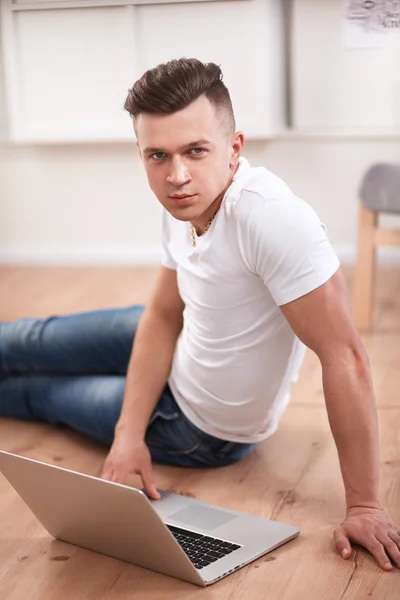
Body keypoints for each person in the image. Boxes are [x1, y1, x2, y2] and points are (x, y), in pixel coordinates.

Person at [0, 58, 399, 572]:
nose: (177, 175)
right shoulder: (183, 200)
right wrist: (127, 433)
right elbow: (165, 315)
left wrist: (365, 505)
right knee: (29, 340)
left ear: (234, 149)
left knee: (38, 392)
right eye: (157, 156)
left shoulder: (272, 218)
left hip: (202, 424)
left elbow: (345, 358)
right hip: (187, 338)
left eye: (195, 150)